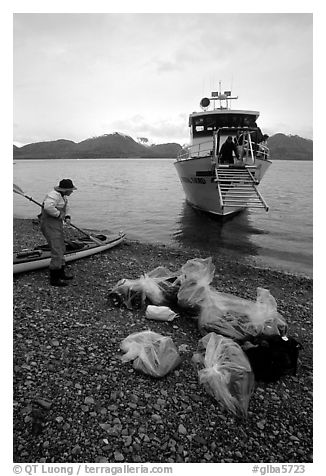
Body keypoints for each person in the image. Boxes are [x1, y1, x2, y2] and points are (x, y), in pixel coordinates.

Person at [40, 178, 77, 287]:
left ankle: (61, 273)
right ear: (65, 189)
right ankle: (54, 279)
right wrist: (58, 214)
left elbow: (67, 208)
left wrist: (67, 217)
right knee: (56, 249)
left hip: (57, 225)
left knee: (61, 247)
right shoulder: (54, 195)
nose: (72, 191)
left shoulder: (63, 196)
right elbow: (47, 207)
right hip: (49, 224)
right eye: (71, 189)